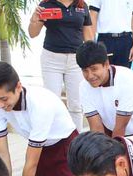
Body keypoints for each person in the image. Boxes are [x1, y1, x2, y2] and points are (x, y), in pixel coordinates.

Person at [29, 0, 93, 131]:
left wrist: (92, 56)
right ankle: (54, 139)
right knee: (52, 102)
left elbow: (88, 35)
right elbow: (33, 33)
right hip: (52, 59)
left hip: (76, 60)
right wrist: (34, 20)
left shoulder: (82, 5)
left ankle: (75, 141)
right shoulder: (46, 4)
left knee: (76, 105)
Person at [76, 40, 133, 137]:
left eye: (94, 69)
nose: (90, 76)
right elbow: (96, 127)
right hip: (111, 130)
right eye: (85, 71)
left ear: (106, 64)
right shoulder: (84, 86)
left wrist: (112, 151)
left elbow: (120, 128)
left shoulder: (127, 80)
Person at [88, 0, 133, 68]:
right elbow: (93, 16)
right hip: (105, 41)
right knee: (104, 72)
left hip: (126, 41)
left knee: (123, 73)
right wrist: (92, 44)